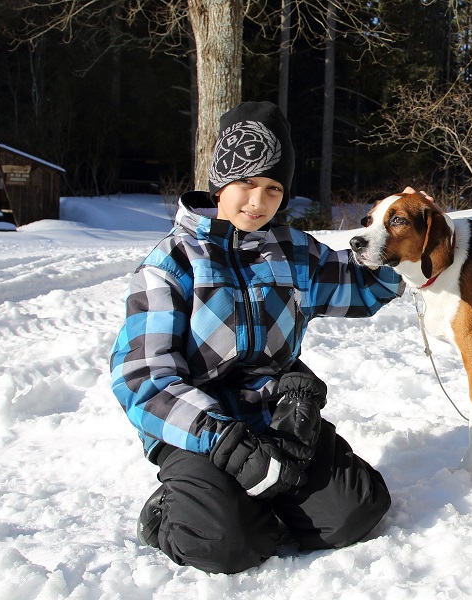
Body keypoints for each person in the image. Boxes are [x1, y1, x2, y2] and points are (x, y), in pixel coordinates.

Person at [110, 101, 404, 574]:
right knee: (224, 544)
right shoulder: (172, 263)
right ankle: (171, 513)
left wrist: (404, 237)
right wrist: (221, 438)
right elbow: (144, 378)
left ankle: (257, 500)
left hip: (276, 417)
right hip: (200, 431)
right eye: (246, 183)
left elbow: (362, 285)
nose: (258, 202)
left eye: (273, 189)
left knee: (356, 511)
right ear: (220, 180)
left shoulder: (292, 252)